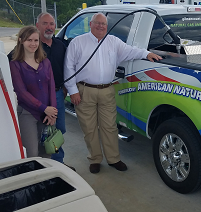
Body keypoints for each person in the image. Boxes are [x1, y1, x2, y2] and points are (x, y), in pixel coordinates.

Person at [64, 13, 162, 174]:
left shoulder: (113, 42)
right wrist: (73, 91)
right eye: (97, 23)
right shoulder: (78, 42)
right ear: (91, 24)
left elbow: (131, 51)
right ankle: (95, 159)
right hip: (84, 90)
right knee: (89, 128)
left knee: (109, 127)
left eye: (103, 24)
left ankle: (113, 159)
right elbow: (68, 68)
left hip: (107, 90)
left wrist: (147, 54)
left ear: (107, 26)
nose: (101, 26)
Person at [35, 12, 75, 171]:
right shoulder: (32, 44)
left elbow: (68, 67)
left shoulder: (60, 45)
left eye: (52, 24)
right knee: (41, 131)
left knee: (58, 130)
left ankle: (58, 164)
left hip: (58, 94)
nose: (49, 27)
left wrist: (66, 87)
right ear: (37, 26)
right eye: (45, 23)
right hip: (38, 97)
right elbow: (11, 61)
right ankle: (44, 165)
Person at [9, 26, 58, 158]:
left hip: (47, 114)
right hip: (28, 113)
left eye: (36, 40)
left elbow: (51, 87)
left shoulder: (46, 62)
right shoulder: (15, 65)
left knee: (47, 151)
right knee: (32, 153)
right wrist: (44, 108)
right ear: (21, 41)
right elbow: (21, 92)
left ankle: (46, 178)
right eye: (29, 40)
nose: (33, 44)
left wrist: (52, 112)